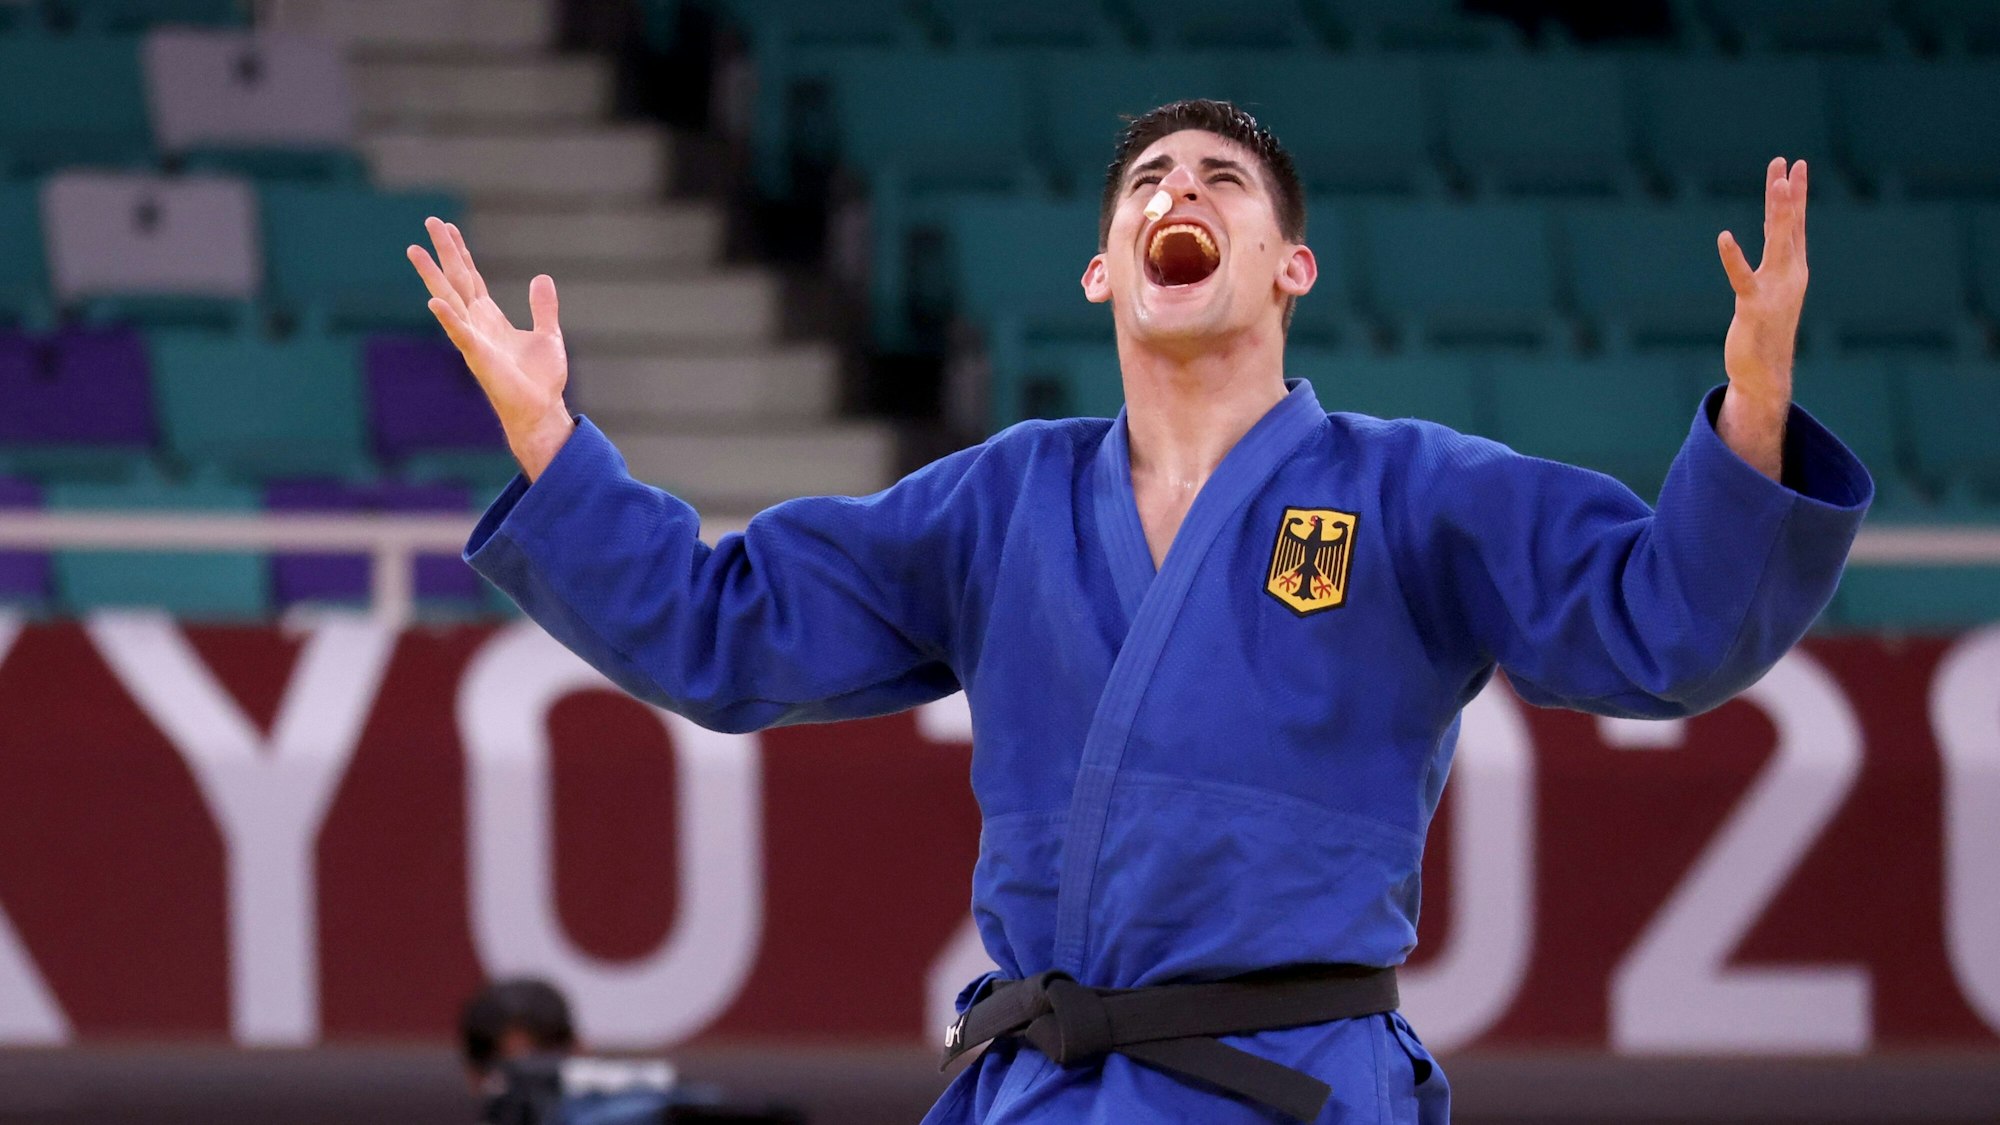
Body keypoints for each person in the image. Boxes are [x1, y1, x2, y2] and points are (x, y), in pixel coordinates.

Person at [408, 100, 1870, 1123]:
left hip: (1288, 1087)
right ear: (1107, 267)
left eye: (1224, 182)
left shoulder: (1418, 493)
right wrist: (554, 446)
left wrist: (1750, 412)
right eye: (1150, 183)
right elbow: (718, 630)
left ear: (1290, 268)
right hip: (1044, 1090)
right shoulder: (998, 504)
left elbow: (1669, 629)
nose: (1182, 193)